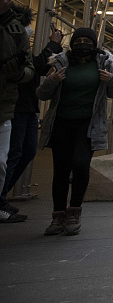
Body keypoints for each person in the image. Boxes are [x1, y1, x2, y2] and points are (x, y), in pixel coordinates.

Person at [36, 26, 113, 235]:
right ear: (72, 44)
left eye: (87, 40)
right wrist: (52, 80)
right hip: (61, 123)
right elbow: (42, 94)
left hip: (88, 124)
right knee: (61, 170)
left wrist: (111, 80)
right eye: (78, 40)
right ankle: (57, 215)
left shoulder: (105, 63)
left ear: (94, 45)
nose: (83, 44)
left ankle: (74, 210)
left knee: (81, 164)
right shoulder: (60, 63)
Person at [2, 17, 63, 219]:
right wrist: (53, 44)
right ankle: (1, 199)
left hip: (27, 108)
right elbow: (37, 67)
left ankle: (2, 197)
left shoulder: (23, 53)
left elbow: (38, 66)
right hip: (16, 109)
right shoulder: (11, 52)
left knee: (26, 152)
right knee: (12, 155)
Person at [0, 0, 35, 223]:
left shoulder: (16, 29)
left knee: (3, 163)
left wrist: (20, 73)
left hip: (6, 106)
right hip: (14, 106)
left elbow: (29, 66)